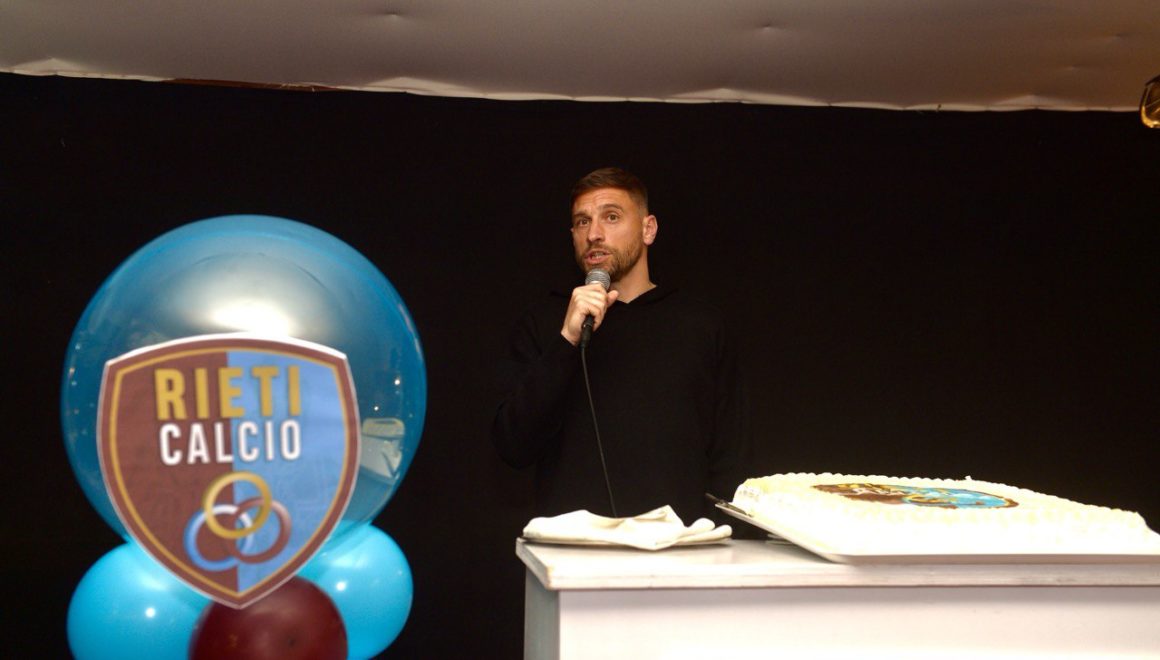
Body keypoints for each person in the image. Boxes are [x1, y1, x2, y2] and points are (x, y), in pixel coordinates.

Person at [491, 167, 750, 525]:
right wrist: (567, 340)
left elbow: (731, 457)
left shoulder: (700, 325)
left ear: (648, 229)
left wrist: (716, 538)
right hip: (573, 548)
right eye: (582, 222)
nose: (594, 234)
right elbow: (512, 445)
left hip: (679, 545)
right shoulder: (546, 322)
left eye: (611, 217)